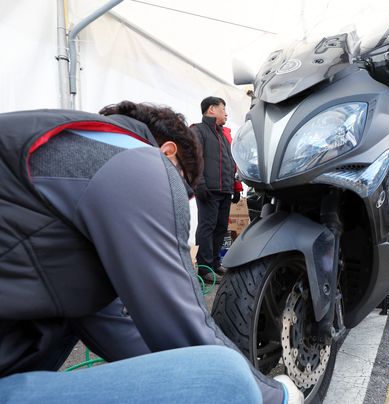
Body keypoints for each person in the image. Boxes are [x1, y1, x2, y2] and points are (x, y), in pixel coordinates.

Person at [0, 102, 301, 404]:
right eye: (182, 189)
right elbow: (184, 331)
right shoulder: (136, 159)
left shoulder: (61, 143)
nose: (178, 200)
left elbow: (118, 329)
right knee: (226, 381)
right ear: (169, 152)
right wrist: (278, 395)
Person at [191, 97, 243, 283]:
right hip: (208, 189)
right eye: (223, 108)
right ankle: (204, 269)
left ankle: (214, 263)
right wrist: (199, 184)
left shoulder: (223, 134)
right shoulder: (198, 130)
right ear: (211, 109)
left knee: (221, 228)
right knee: (207, 227)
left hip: (224, 190)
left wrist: (236, 186)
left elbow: (231, 163)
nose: (226, 113)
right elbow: (194, 159)